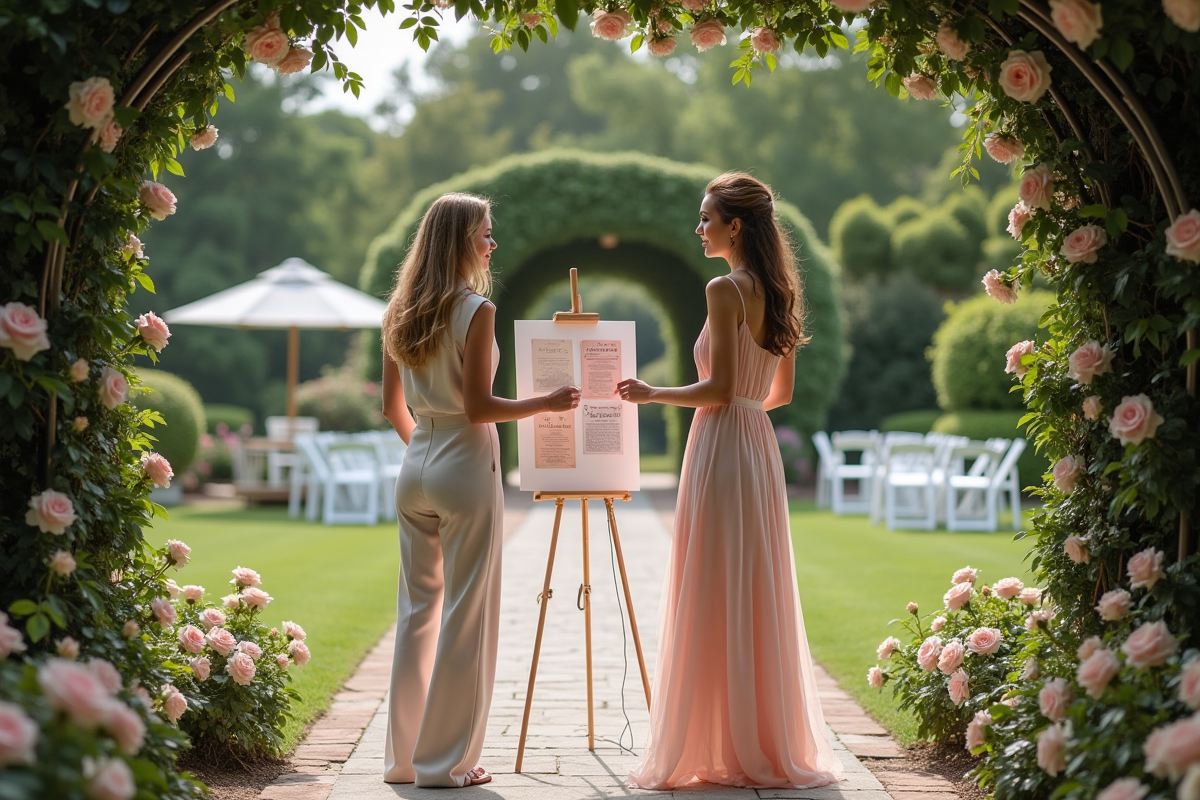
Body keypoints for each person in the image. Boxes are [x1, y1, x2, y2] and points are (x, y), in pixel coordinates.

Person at [618, 173, 843, 790]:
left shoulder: (724, 289)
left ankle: (716, 743)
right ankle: (761, 740)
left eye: (706, 219)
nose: (699, 229)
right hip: (755, 446)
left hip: (719, 443)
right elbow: (780, 393)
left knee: (715, 579)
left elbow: (716, 389)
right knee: (753, 581)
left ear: (735, 226)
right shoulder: (781, 293)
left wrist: (651, 392)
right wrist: (743, 412)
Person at [379, 192, 580, 788]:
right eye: (486, 235)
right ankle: (445, 765)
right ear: (463, 240)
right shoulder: (476, 308)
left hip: (416, 462)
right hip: (465, 465)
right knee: (466, 614)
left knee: (417, 613)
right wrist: (546, 402)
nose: (493, 244)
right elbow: (479, 406)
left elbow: (391, 406)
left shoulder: (399, 308)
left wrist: (426, 449)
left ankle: (403, 761)